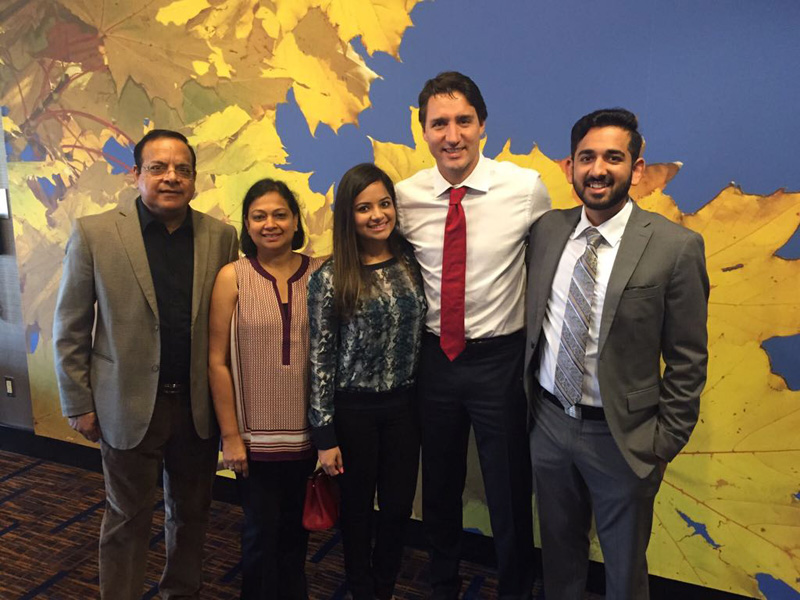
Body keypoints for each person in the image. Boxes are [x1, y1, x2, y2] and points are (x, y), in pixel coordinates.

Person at [524, 108, 709, 600]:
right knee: (559, 564)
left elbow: (689, 359)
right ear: (569, 167)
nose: (598, 169)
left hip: (623, 441)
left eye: (613, 157)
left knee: (625, 575)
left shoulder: (676, 247)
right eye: (586, 157)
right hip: (548, 425)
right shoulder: (546, 232)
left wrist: (661, 443)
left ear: (637, 168)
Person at [53, 129, 239, 599]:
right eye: (158, 168)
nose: (171, 177)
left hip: (196, 409)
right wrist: (78, 402)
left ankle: (180, 592)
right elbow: (71, 325)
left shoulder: (221, 237)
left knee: (192, 514)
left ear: (194, 179)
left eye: (182, 169)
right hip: (126, 404)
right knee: (126, 517)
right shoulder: (95, 233)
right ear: (135, 175)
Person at [394, 71, 550, 599]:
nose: (452, 135)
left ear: (482, 125)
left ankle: (514, 588)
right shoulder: (405, 196)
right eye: (439, 124)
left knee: (509, 488)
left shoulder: (524, 189)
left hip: (499, 361)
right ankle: (442, 583)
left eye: (463, 121)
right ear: (424, 131)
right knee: (437, 485)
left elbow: (551, 265)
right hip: (433, 360)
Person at [308, 163, 426, 600]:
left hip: (405, 409)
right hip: (353, 412)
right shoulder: (330, 277)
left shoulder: (412, 263)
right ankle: (360, 589)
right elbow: (320, 356)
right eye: (364, 208)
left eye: (384, 204)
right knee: (357, 511)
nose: (377, 214)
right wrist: (324, 433)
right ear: (348, 216)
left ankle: (385, 587)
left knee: (396, 510)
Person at [208, 178, 324, 599]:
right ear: (247, 224)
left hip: (307, 437)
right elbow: (216, 362)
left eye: (280, 214)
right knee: (259, 535)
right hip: (253, 441)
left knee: (297, 535)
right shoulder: (232, 277)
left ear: (296, 222)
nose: (270, 224)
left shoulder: (320, 274)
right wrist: (231, 437)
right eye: (259, 216)